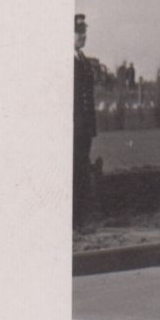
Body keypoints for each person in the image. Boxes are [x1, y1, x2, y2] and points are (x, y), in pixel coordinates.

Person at [73, 13, 96, 229]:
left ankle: (81, 217)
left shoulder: (83, 61)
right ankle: (75, 218)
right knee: (75, 171)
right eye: (79, 32)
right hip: (74, 128)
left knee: (82, 170)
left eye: (84, 32)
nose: (83, 36)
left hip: (84, 128)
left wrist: (90, 126)